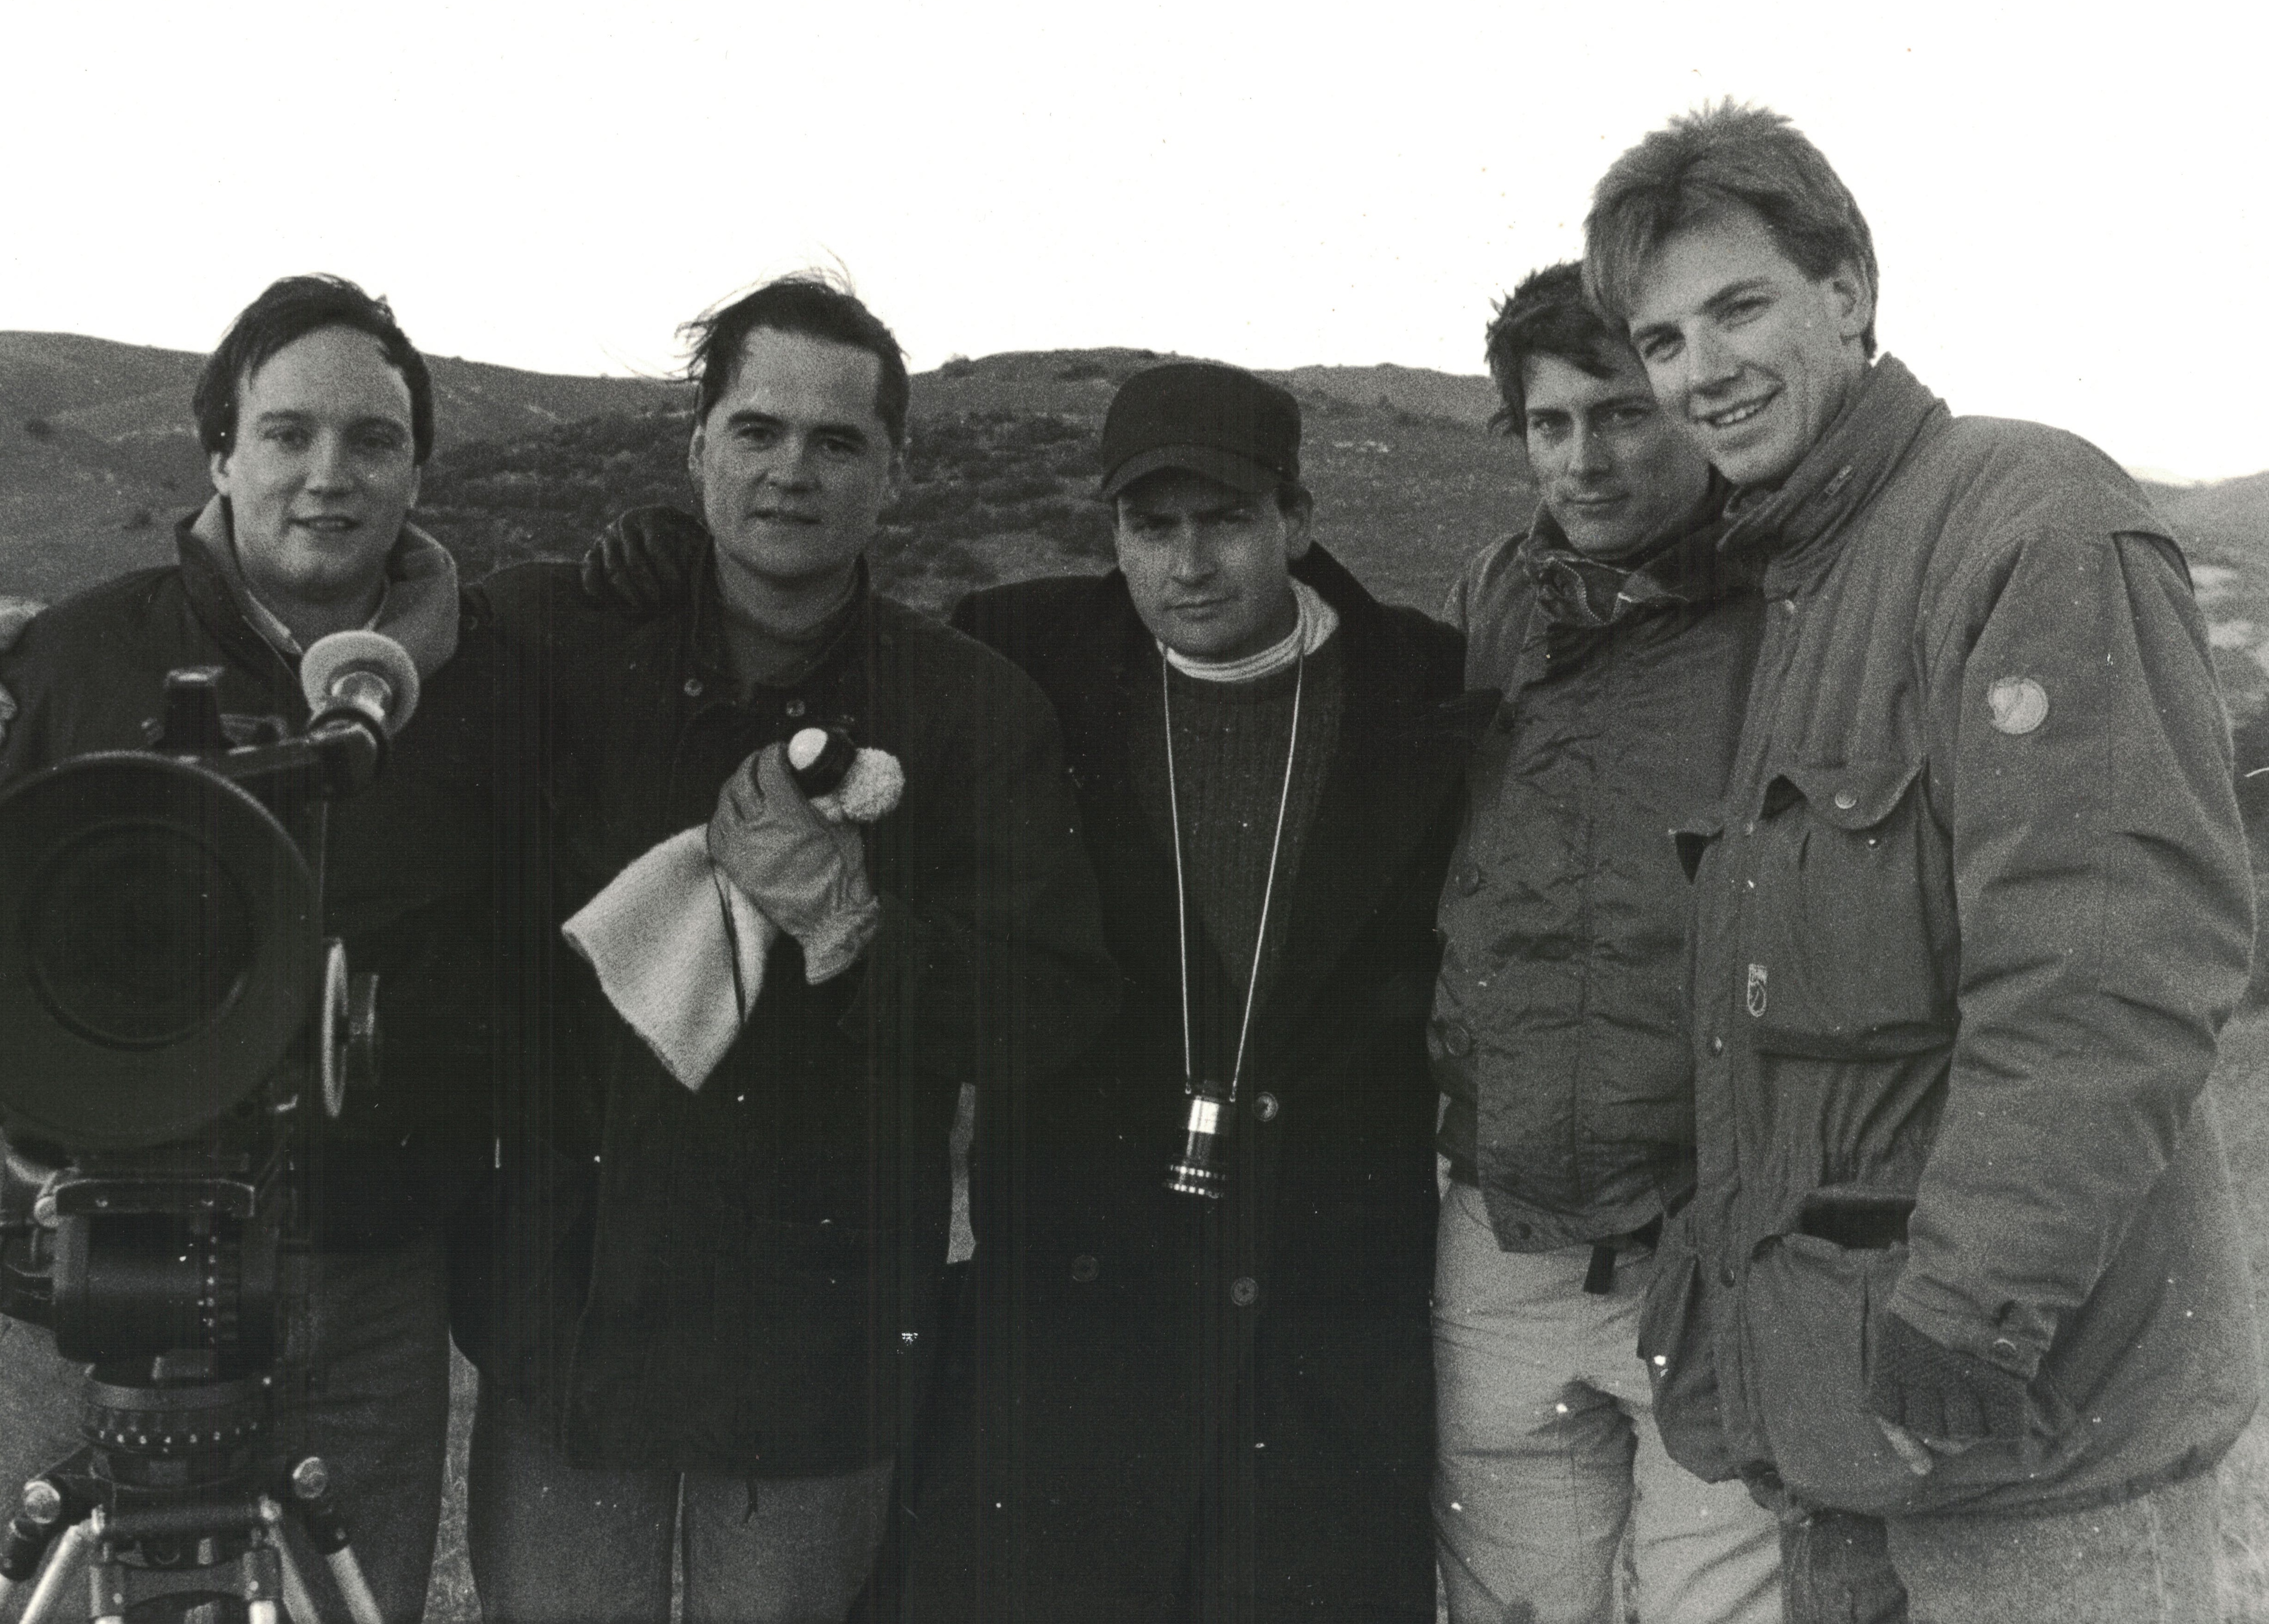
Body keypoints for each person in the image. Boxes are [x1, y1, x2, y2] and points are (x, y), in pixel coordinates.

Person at [603, 359, 1478, 1618]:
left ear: (1297, 521)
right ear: (1109, 531)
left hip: (1321, 1311)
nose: (1187, 565)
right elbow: (803, 662)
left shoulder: (1421, 683)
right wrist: (666, 567)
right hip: (1081, 1298)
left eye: (1226, 523)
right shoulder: (1022, 652)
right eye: (1149, 527)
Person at [1584, 101, 2259, 1624]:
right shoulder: (1802, 583)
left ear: (1851, 290)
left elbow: (2108, 975)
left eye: (1740, 306)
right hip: (1852, 1434)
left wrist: (1959, 1332)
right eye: (1664, 337)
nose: (1702, 370)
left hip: (2026, 1433)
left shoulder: (2031, 523)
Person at [454, 274, 1111, 1623]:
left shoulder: (970, 710)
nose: (791, 472)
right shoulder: (550, 637)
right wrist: (13, 670)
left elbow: (1043, 1013)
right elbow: (367, 616)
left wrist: (846, 924)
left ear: (896, 474)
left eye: (837, 442)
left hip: (818, 1343)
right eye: (755, 432)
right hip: (570, 1315)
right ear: (695, 449)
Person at [0, 275, 517, 1622]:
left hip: (370, 1280)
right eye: (286, 434)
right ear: (219, 451)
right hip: (105, 1275)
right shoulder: (63, 659)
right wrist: (95, 1110)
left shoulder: (489, 682)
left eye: (373, 440)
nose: (327, 476)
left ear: (420, 467)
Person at [1425, 261, 1781, 1624]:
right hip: (1502, 1239)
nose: (1585, 460)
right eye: (1549, 423)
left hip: (1714, 1243)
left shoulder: (1788, 612)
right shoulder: (1493, 598)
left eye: (1623, 414)